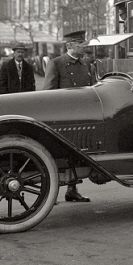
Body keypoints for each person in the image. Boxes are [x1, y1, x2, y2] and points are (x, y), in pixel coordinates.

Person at [43, 30, 93, 202]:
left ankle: (72, 190)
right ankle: (50, 195)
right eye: (81, 44)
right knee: (58, 156)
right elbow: (48, 93)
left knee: (77, 155)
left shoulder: (86, 64)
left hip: (83, 116)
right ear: (70, 45)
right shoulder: (56, 63)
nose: (85, 48)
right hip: (63, 117)